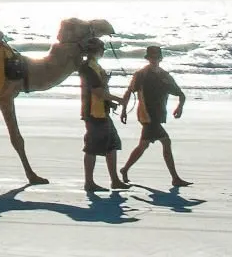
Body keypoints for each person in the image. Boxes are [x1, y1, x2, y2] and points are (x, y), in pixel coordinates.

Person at [119, 45, 190, 188]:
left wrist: (180, 107)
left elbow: (181, 94)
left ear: (160, 58)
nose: (154, 59)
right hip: (146, 115)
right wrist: (124, 110)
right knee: (166, 141)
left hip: (158, 115)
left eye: (157, 57)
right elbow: (129, 92)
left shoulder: (165, 75)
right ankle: (175, 178)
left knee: (143, 145)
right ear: (148, 58)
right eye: (152, 57)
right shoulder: (140, 74)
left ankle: (125, 169)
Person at [80, 38, 123, 191]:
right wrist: (118, 99)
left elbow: (101, 89)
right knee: (91, 148)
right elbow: (97, 92)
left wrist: (109, 102)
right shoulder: (88, 68)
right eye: (101, 49)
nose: (103, 51)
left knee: (112, 145)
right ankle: (89, 183)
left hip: (101, 112)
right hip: (93, 113)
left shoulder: (94, 66)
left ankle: (115, 180)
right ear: (96, 50)